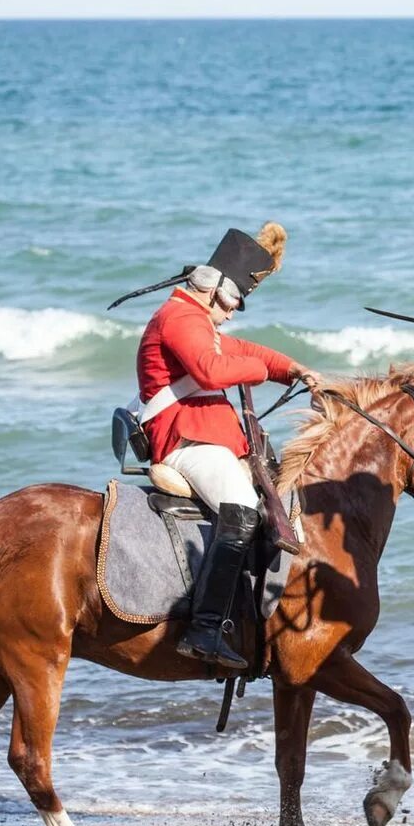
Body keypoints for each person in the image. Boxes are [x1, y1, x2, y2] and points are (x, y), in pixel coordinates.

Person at [134, 222, 319, 672]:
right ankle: (205, 628)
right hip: (186, 439)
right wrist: (261, 371)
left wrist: (295, 369)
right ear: (213, 287)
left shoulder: (196, 320)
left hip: (205, 437)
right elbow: (211, 370)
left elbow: (241, 348)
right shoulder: (180, 319)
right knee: (244, 511)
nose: (234, 313)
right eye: (235, 301)